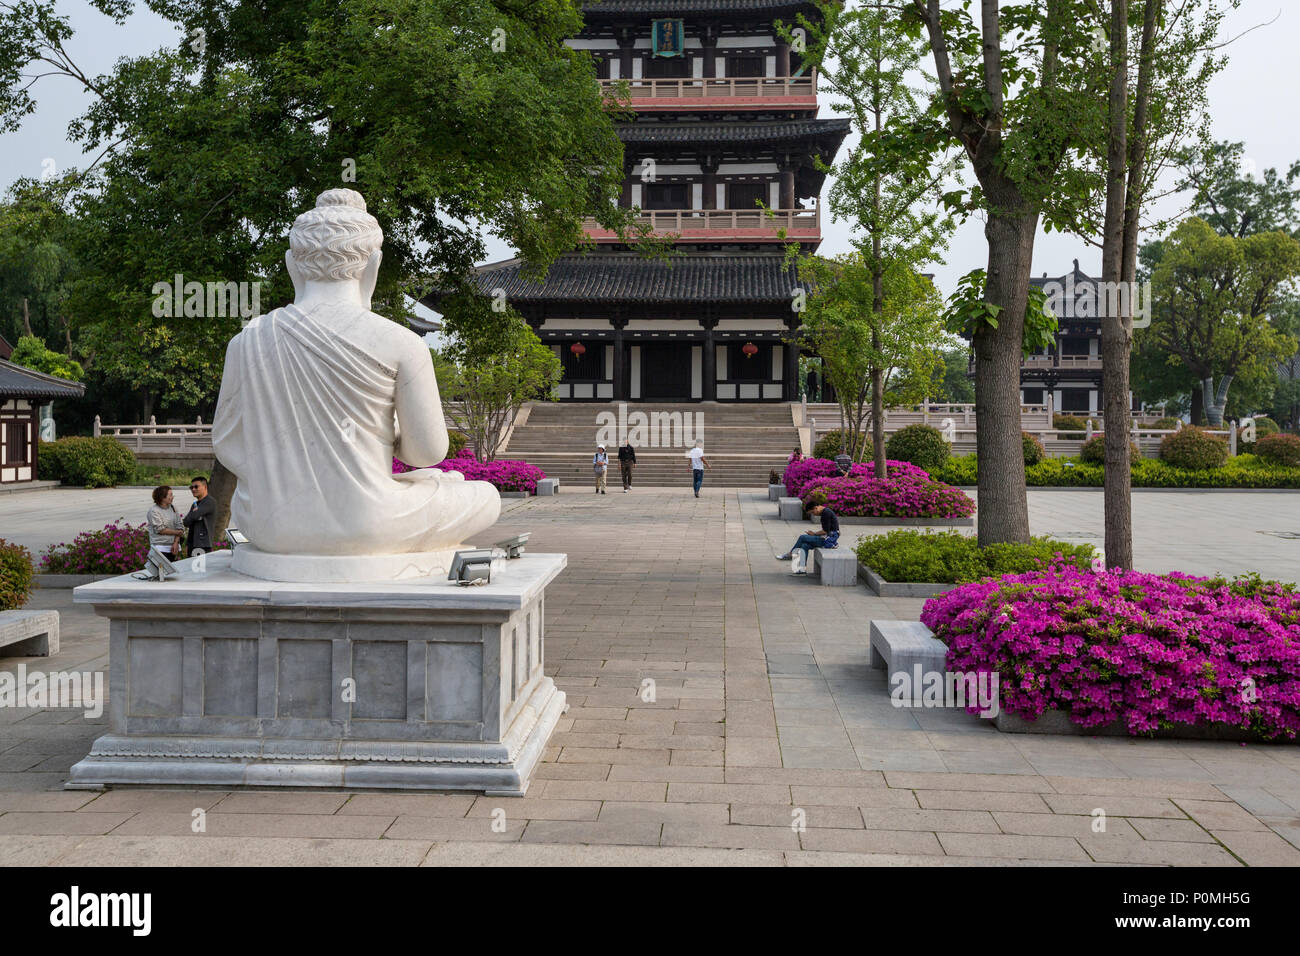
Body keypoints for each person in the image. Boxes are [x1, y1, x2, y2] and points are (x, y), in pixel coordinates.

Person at [211, 188, 499, 556]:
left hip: (270, 526)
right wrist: (388, 431)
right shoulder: (400, 342)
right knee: (482, 495)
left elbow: (227, 444)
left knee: (424, 482)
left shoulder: (247, 340)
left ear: (291, 264)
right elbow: (427, 452)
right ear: (373, 265)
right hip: (368, 525)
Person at [776, 502, 840, 573]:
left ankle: (791, 554)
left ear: (816, 508)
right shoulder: (825, 512)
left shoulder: (826, 513)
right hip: (828, 538)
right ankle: (802, 569)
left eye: (812, 512)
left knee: (802, 537)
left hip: (828, 540)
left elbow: (825, 531)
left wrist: (814, 534)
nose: (813, 514)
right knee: (804, 546)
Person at [146, 486, 185, 559]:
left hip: (174, 547)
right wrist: (177, 532)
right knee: (160, 570)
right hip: (160, 548)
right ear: (162, 497)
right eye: (170, 495)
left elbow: (180, 526)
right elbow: (160, 530)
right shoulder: (154, 511)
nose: (173, 497)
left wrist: (176, 542)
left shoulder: (173, 508)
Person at [183, 476, 217, 556]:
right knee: (192, 568)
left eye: (196, 487)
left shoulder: (209, 502)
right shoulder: (195, 504)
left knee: (199, 568)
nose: (193, 489)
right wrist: (194, 514)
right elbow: (186, 522)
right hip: (193, 544)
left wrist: (195, 514)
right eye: (191, 487)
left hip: (202, 544)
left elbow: (194, 516)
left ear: (205, 487)